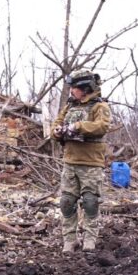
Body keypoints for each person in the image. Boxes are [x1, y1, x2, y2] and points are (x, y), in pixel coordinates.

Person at [51, 69, 112, 253]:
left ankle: (89, 239)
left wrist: (78, 126)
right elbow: (56, 124)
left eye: (75, 88)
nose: (72, 91)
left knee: (90, 202)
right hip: (70, 162)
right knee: (67, 202)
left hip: (91, 163)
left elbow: (102, 126)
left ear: (86, 88)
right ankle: (70, 240)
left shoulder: (99, 107)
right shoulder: (69, 107)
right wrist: (57, 131)